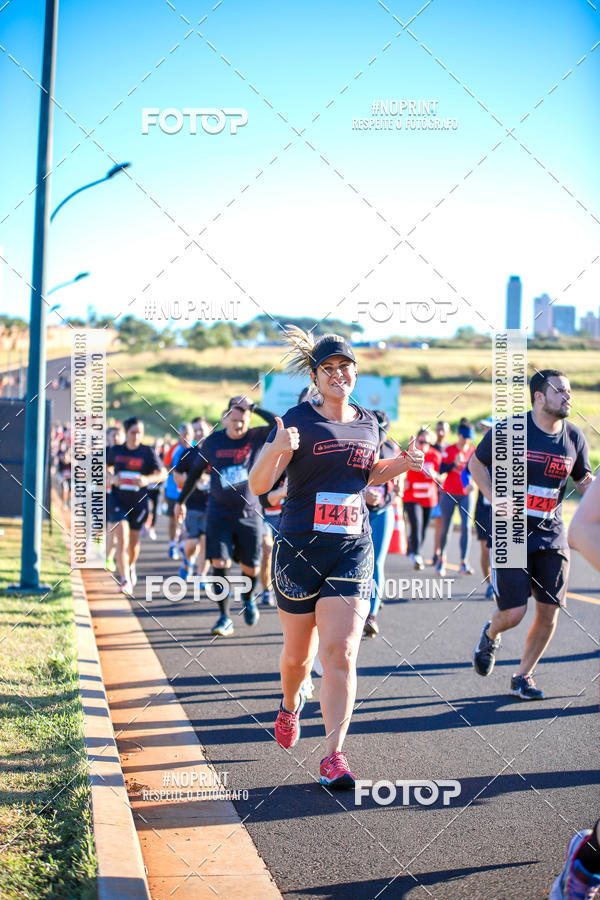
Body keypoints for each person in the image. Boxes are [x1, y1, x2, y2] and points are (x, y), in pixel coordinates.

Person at [248, 327, 424, 789]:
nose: (337, 374)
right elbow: (259, 485)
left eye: (345, 366)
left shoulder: (369, 423)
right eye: (328, 368)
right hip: (299, 548)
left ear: (356, 373)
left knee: (340, 652)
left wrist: (402, 465)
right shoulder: (295, 420)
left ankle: (334, 756)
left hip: (351, 547)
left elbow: (366, 473)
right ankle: (289, 705)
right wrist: (277, 450)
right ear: (315, 377)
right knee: (297, 657)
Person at [470, 369, 593, 699]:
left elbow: (584, 481)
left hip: (551, 535)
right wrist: (493, 496)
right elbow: (476, 464)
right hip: (510, 533)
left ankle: (522, 676)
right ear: (539, 397)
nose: (568, 396)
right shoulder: (510, 430)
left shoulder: (574, 437)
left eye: (569, 391)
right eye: (560, 391)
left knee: (549, 611)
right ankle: (491, 634)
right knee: (514, 613)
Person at [175, 396, 277, 636]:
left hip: (249, 513)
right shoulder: (213, 442)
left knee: (251, 567)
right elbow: (195, 473)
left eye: (243, 419)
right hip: (218, 513)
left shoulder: (256, 437)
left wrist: (254, 407)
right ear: (226, 418)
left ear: (249, 419)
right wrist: (181, 501)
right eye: (234, 419)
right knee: (220, 563)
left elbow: (279, 424)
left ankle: (248, 598)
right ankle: (224, 617)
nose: (238, 424)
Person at [107, 417, 166, 594]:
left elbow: (163, 473)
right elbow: (103, 467)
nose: (136, 436)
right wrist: (112, 478)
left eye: (140, 433)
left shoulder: (147, 452)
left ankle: (131, 566)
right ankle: (125, 579)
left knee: (133, 544)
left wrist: (147, 479)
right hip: (118, 501)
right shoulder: (116, 450)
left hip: (139, 504)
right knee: (122, 539)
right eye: (133, 432)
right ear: (126, 433)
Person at [363, 410, 399, 637]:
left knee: (376, 562)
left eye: (383, 434)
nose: (380, 439)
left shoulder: (391, 448)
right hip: (358, 512)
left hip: (383, 510)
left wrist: (399, 482)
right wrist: (364, 493)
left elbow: (398, 474)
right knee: (357, 563)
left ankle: (371, 615)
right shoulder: (359, 446)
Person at [174, 418, 212, 582]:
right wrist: (192, 479)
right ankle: (187, 561)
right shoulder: (188, 453)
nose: (198, 433)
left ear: (210, 430)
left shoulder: (217, 452)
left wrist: (209, 479)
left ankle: (201, 575)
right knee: (192, 543)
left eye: (201, 429)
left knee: (206, 541)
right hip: (192, 503)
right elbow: (176, 476)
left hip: (212, 504)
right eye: (195, 430)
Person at [436, 421, 476, 577]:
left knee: (466, 527)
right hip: (449, 493)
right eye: (465, 437)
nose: (467, 441)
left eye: (469, 438)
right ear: (459, 436)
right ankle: (441, 560)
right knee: (447, 527)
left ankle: (464, 562)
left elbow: (477, 470)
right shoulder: (450, 450)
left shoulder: (473, 451)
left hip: (466, 494)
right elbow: (441, 469)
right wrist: (454, 463)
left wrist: (473, 484)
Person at [402, 427, 442, 571]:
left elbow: (443, 476)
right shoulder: (409, 454)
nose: (424, 444)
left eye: (427, 442)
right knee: (416, 525)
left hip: (429, 499)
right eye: (421, 441)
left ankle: (413, 547)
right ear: (416, 441)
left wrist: (435, 475)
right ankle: (417, 555)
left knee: (424, 528)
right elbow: (397, 468)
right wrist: (403, 480)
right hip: (412, 497)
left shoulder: (436, 455)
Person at [163, 425, 194, 559]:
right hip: (173, 490)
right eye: (183, 434)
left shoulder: (196, 447)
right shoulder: (174, 448)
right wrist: (177, 473)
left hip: (191, 492)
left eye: (188, 434)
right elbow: (165, 465)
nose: (186, 437)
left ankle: (183, 543)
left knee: (186, 520)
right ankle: (172, 544)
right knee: (172, 519)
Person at [474, 417, 494, 600]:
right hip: (483, 508)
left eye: (488, 428)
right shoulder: (480, 452)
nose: (484, 432)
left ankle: (501, 584)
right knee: (486, 549)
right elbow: (467, 472)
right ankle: (489, 584)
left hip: (503, 510)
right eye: (483, 429)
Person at [105, 422, 125, 572]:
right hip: (102, 494)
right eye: (113, 435)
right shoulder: (104, 453)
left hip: (119, 496)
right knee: (103, 528)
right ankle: (103, 553)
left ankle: (108, 557)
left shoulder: (125, 453)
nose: (116, 438)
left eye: (118, 435)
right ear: (108, 437)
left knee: (113, 527)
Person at [431, 420, 450, 565]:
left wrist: (443, 476)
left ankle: (438, 553)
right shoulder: (431, 448)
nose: (441, 433)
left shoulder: (450, 449)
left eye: (443, 430)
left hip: (444, 492)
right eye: (438, 429)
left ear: (448, 432)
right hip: (429, 491)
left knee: (441, 524)